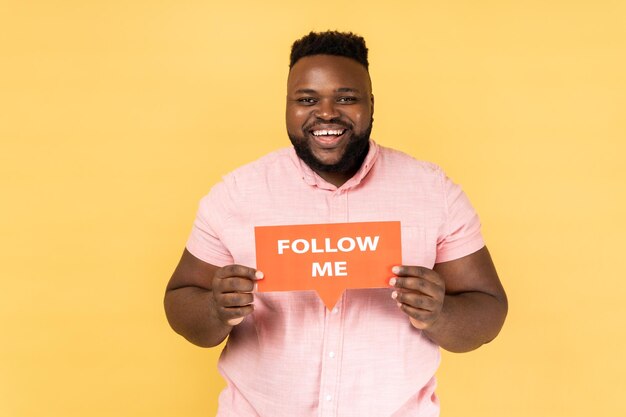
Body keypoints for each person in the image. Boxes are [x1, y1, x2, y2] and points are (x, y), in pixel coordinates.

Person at [164, 31, 507, 417]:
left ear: (371, 104)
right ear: (288, 106)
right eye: (307, 99)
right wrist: (215, 309)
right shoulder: (236, 194)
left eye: (346, 98)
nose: (326, 112)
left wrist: (440, 314)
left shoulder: (433, 192)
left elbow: (488, 309)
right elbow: (181, 298)